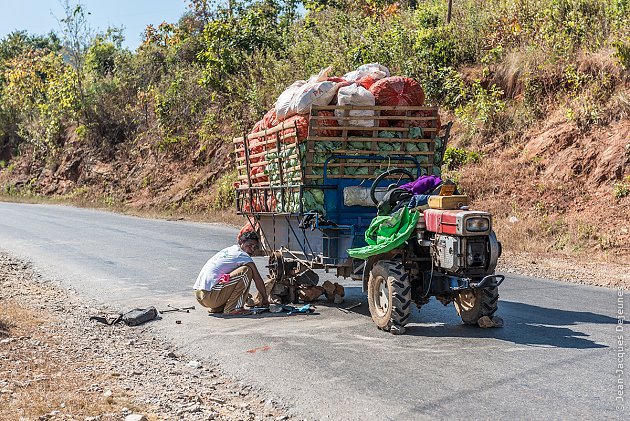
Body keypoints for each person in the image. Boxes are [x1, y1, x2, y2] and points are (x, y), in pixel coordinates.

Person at [193, 231, 269, 315]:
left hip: (201, 296)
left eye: (254, 247)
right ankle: (234, 308)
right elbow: (257, 278)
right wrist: (265, 298)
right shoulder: (242, 255)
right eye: (249, 246)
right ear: (241, 243)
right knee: (246, 271)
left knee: (236, 275)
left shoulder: (230, 250)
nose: (252, 250)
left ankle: (218, 307)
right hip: (209, 296)